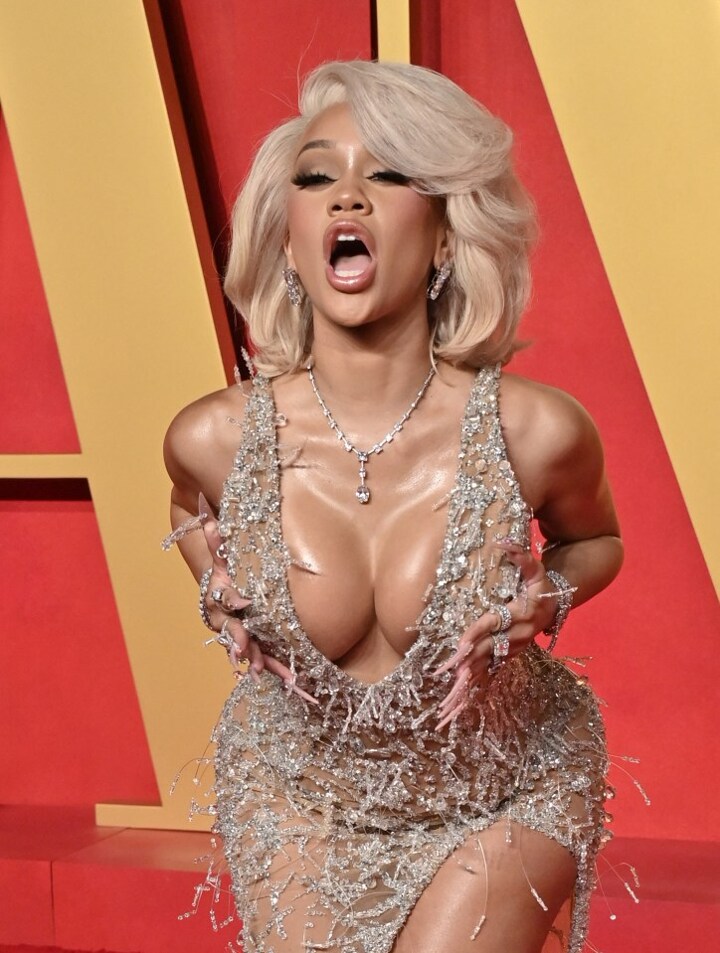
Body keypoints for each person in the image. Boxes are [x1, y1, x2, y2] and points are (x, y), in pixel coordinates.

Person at [163, 60, 623, 953]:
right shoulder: (212, 437)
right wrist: (214, 587)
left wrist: (549, 596)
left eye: (388, 173)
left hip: (506, 785)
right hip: (298, 791)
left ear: (446, 236)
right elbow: (188, 511)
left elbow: (596, 537)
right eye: (316, 176)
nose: (348, 196)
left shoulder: (535, 430)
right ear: (287, 238)